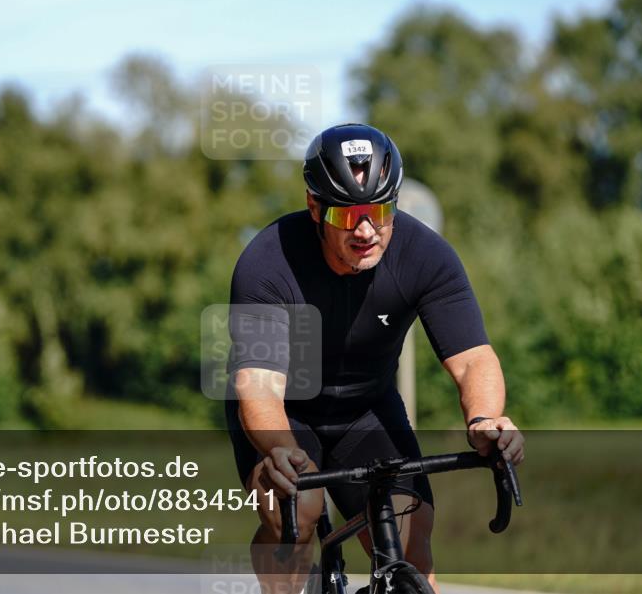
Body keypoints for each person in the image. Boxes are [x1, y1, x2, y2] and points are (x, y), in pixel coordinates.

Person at [224, 123, 525, 594]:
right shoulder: (268, 261)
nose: (366, 231)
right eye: (348, 217)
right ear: (314, 207)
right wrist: (277, 447)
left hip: (366, 407)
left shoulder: (426, 256)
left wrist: (486, 420)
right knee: (296, 517)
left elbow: (473, 360)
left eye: (380, 212)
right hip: (286, 412)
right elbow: (259, 384)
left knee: (411, 536)